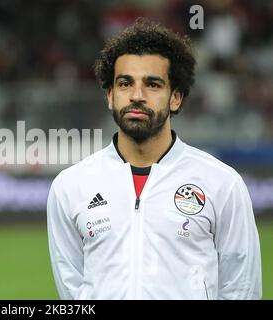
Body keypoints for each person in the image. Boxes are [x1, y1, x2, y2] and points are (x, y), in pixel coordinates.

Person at [46, 18, 262, 300]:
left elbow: (241, 289)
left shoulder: (222, 184)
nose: (137, 96)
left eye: (153, 84)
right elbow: (74, 291)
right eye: (125, 84)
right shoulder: (70, 186)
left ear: (175, 98)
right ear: (110, 96)